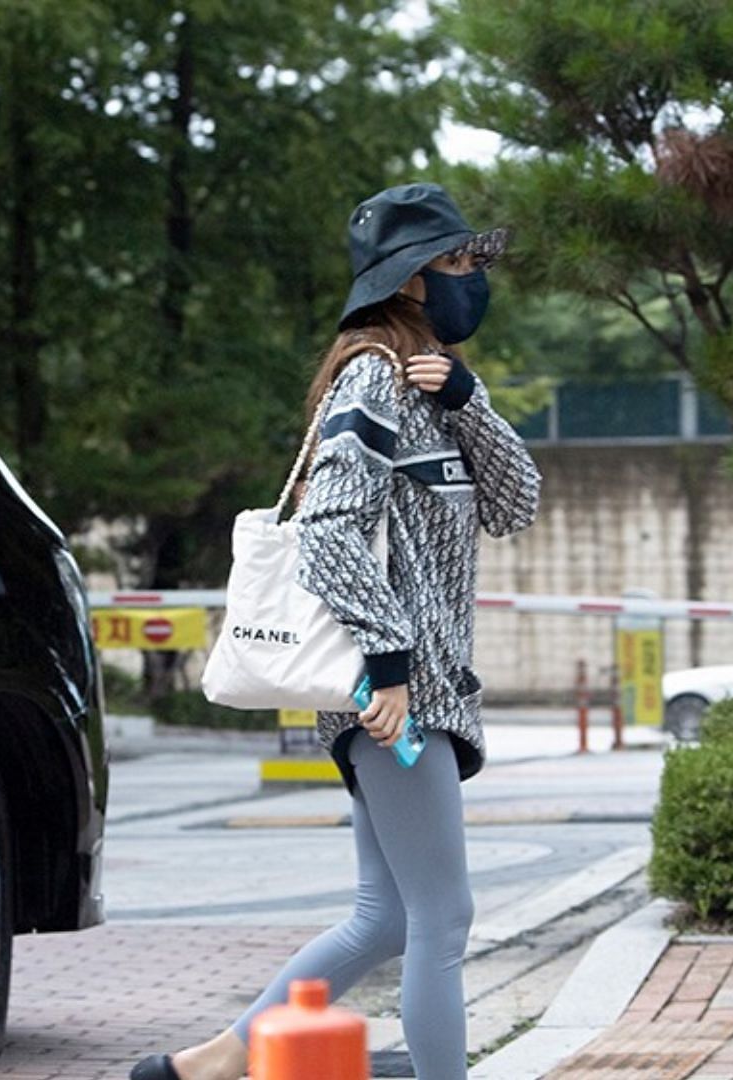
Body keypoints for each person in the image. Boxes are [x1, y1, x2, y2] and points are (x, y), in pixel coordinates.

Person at [131, 182, 543, 1080]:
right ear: (412, 280)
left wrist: (472, 401)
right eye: (461, 261)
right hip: (395, 698)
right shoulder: (371, 379)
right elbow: (329, 533)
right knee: (445, 917)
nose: (476, 276)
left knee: (385, 917)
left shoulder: (435, 390)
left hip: (415, 690)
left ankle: (208, 1062)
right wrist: (388, 670)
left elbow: (518, 504)